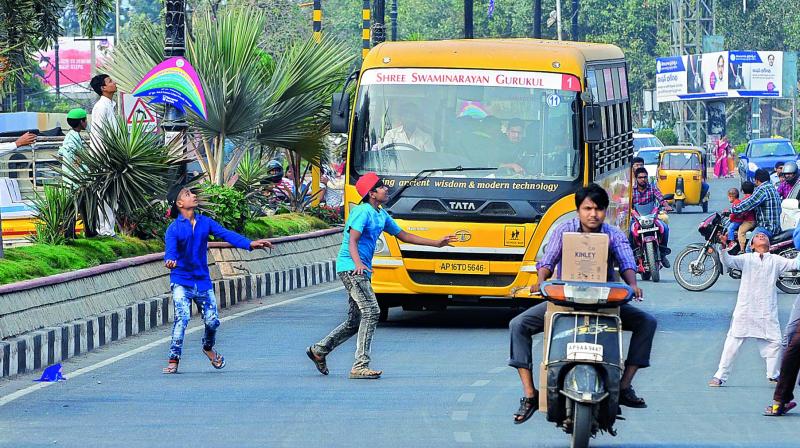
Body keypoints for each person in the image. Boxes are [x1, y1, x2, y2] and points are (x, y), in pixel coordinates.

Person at [509, 184, 655, 424]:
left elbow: (627, 262)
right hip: (563, 303)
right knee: (518, 325)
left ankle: (625, 386)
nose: (593, 214)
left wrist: (633, 284)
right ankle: (530, 395)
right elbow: (547, 261)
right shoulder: (563, 230)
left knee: (647, 323)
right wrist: (541, 281)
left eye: (598, 209)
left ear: (605, 211)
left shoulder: (613, 234)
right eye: (587, 208)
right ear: (578, 210)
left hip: (605, 303)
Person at [306, 172, 456, 379]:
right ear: (371, 193)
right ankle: (360, 365)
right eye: (381, 187)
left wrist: (437, 243)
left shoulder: (380, 214)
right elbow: (352, 240)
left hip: (360, 269)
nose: (386, 189)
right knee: (371, 311)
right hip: (352, 268)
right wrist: (358, 264)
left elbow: (404, 235)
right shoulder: (362, 212)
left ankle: (319, 350)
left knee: (355, 321)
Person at [162, 184, 273, 374]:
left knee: (212, 321)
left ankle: (207, 347)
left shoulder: (205, 222)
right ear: (180, 203)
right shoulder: (174, 229)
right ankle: (174, 359)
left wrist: (250, 244)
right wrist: (170, 261)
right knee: (182, 318)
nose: (193, 196)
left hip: (202, 281)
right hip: (181, 280)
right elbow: (170, 251)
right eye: (188, 194)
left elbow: (226, 234)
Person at [709, 231, 799, 387]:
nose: (762, 236)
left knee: (775, 342)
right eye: (757, 236)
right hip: (746, 309)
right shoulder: (747, 259)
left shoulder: (776, 260)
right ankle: (720, 375)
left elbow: (795, 264)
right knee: (733, 342)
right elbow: (728, 261)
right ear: (751, 245)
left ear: (770, 245)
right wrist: (723, 247)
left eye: (764, 236)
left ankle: (773, 374)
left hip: (767, 310)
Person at [89, 73, 119, 237]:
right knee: (104, 193)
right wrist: (107, 159)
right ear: (103, 88)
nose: (114, 83)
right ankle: (104, 230)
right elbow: (100, 135)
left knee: (112, 194)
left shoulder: (109, 105)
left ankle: (110, 229)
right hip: (103, 157)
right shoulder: (101, 107)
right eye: (110, 81)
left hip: (110, 156)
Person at [729, 168, 782, 248]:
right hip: (775, 227)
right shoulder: (772, 187)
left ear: (757, 180)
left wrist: (732, 210)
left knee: (749, 248)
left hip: (766, 228)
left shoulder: (762, 189)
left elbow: (749, 203)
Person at [632, 167, 673, 267]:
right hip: (636, 219)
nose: (643, 179)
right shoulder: (631, 190)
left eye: (645, 177)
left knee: (665, 228)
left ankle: (662, 254)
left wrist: (666, 205)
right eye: (640, 177)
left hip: (651, 217)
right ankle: (633, 255)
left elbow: (660, 198)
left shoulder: (652, 188)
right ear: (636, 178)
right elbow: (624, 202)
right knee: (629, 232)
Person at [728, 183, 757, 252]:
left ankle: (742, 249)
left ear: (743, 191)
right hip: (749, 220)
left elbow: (742, 211)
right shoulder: (753, 197)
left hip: (749, 221)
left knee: (741, 231)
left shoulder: (745, 199)